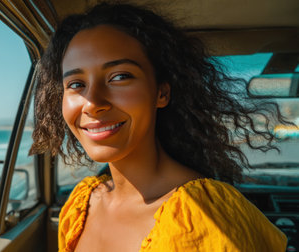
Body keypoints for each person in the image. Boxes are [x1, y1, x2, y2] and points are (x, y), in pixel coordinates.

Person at [29, 2, 288, 251]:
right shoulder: (79, 206)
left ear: (161, 93)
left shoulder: (205, 216)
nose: (93, 103)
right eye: (75, 84)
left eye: (119, 77)